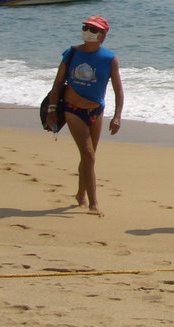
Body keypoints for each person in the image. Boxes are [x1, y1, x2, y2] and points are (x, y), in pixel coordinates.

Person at [44, 15, 124, 216]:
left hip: (96, 111)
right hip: (73, 110)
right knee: (88, 155)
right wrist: (52, 110)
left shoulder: (109, 59)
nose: (88, 32)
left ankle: (80, 193)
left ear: (103, 36)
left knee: (89, 157)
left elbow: (118, 90)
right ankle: (93, 203)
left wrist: (117, 116)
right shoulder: (71, 53)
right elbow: (57, 84)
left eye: (94, 30)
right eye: (86, 28)